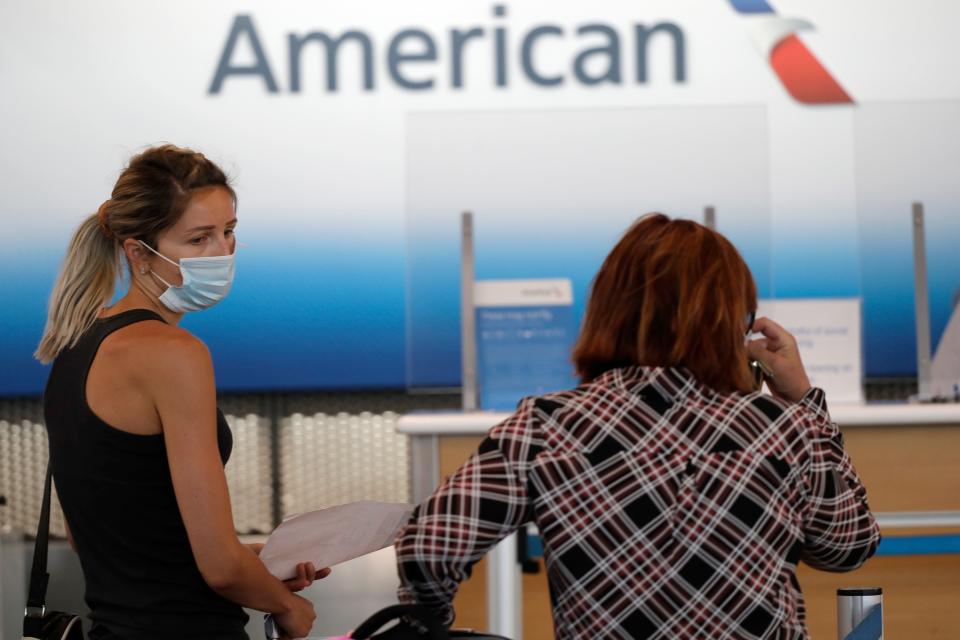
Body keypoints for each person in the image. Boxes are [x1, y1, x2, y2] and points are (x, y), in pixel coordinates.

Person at [394, 213, 881, 639]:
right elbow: (849, 548)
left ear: (608, 312)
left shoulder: (546, 426)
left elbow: (427, 550)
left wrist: (431, 622)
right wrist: (804, 402)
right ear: (734, 323)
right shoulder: (785, 428)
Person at [36, 144, 326, 640]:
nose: (222, 253)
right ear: (137, 252)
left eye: (229, 231)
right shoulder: (173, 352)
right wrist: (285, 606)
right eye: (198, 239)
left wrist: (256, 563)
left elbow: (96, 539)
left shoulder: (75, 344)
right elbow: (219, 567)